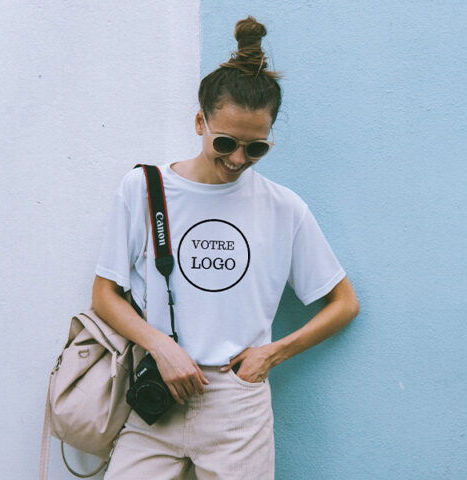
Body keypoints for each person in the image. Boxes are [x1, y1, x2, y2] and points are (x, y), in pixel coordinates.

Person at [91, 16, 359, 480]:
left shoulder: (283, 208)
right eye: (225, 142)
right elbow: (104, 294)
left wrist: (272, 354)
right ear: (200, 121)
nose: (237, 159)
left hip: (238, 404)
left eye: (255, 149)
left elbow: (344, 303)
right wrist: (160, 345)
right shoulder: (144, 189)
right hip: (157, 392)